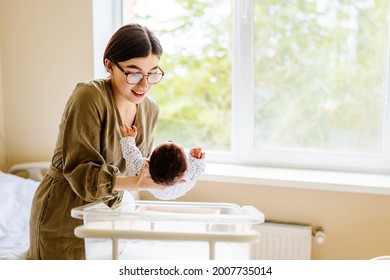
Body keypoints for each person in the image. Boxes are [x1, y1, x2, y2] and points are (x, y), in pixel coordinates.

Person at [26, 23, 168, 260]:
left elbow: (137, 166)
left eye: (153, 73)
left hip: (109, 215)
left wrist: (168, 175)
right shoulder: (89, 97)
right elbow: (81, 173)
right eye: (134, 73)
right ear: (109, 65)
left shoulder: (150, 110)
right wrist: (135, 183)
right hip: (64, 214)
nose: (144, 85)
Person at [120, 124, 206, 200]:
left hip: (161, 193)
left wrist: (128, 138)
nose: (170, 140)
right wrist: (196, 158)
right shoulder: (189, 174)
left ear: (148, 162)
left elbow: (131, 154)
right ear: (186, 168)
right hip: (178, 188)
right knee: (193, 177)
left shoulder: (144, 167)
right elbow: (199, 169)